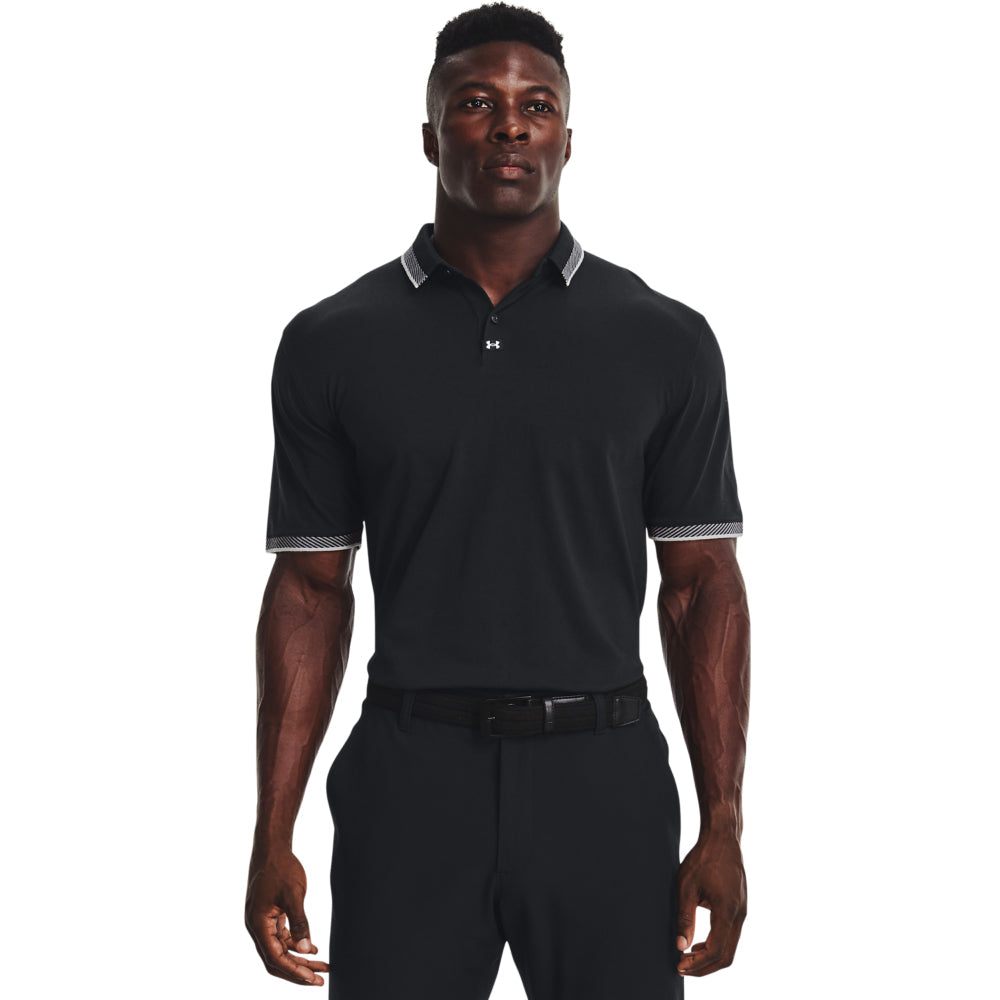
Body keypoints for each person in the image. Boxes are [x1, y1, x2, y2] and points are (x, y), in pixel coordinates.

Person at [245, 4, 750, 997]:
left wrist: (723, 823)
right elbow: (309, 590)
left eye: (537, 105)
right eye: (476, 103)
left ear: (568, 137)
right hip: (409, 776)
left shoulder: (664, 339)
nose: (510, 124)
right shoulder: (332, 342)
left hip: (604, 777)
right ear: (431, 136)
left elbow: (701, 586)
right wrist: (272, 830)